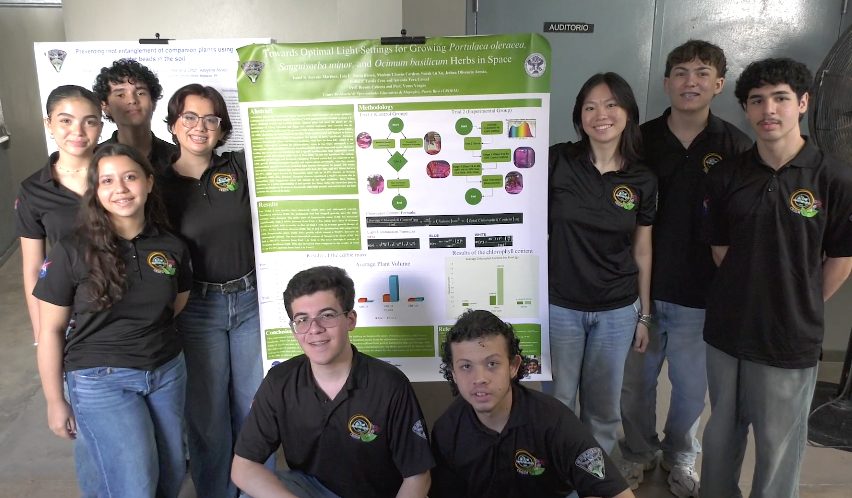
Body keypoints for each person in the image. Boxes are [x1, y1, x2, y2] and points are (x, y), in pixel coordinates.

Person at [702, 58, 852, 498]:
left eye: (781, 98)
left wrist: (798, 301)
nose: (769, 109)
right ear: (746, 110)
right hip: (727, 331)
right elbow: (720, 249)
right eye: (757, 101)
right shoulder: (726, 175)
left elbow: (841, 259)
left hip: (790, 339)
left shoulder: (835, 178)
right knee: (720, 435)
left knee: (778, 445)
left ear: (802, 103)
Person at [618, 40, 751, 496]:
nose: (689, 81)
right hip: (642, 291)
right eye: (680, 72)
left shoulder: (735, 145)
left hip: (703, 295)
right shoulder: (641, 140)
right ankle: (636, 451)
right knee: (635, 385)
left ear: (717, 83)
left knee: (692, 389)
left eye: (701, 72)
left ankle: (680, 452)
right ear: (667, 82)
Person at [33, 143, 192, 498]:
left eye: (130, 177)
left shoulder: (170, 246)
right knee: (134, 483)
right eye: (107, 181)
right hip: (100, 379)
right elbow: (51, 330)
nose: (120, 189)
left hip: (165, 371)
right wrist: (55, 400)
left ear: (149, 183)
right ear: (96, 191)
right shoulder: (72, 250)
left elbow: (176, 304)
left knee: (171, 472)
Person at [231, 265, 434, 498]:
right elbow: (243, 467)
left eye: (327, 316)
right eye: (302, 320)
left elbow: (418, 477)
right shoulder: (280, 382)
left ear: (350, 320)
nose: (314, 329)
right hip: (311, 490)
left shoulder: (389, 384)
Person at [159, 83, 263, 498]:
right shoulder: (158, 185)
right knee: (207, 415)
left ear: (222, 129)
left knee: (255, 407)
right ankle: (217, 492)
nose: (200, 127)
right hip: (196, 308)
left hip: (251, 302)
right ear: (172, 125)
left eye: (210, 119)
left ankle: (258, 489)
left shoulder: (238, 168)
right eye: (190, 117)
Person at [547, 73, 656, 461]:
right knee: (559, 401)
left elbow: (642, 250)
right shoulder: (558, 160)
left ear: (627, 113)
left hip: (616, 309)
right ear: (579, 116)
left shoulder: (642, 178)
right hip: (561, 305)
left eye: (611, 105)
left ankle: (597, 478)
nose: (601, 115)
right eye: (590, 107)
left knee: (604, 406)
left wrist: (644, 315)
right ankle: (559, 476)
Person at [430, 309, 635, 498]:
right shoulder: (447, 431)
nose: (480, 378)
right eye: (466, 366)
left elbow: (619, 493)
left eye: (492, 364)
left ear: (513, 366)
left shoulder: (554, 421)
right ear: (453, 373)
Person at [14, 84, 103, 497]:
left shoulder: (117, 171)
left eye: (88, 121)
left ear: (101, 124)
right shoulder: (35, 190)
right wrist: (42, 336)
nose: (78, 131)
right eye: (65, 121)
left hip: (129, 315)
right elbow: (33, 266)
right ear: (49, 124)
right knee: (88, 431)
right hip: (74, 318)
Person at [93, 58, 177, 174]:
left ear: (153, 102)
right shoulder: (94, 159)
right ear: (105, 106)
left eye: (140, 93)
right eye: (121, 95)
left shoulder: (177, 158)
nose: (132, 100)